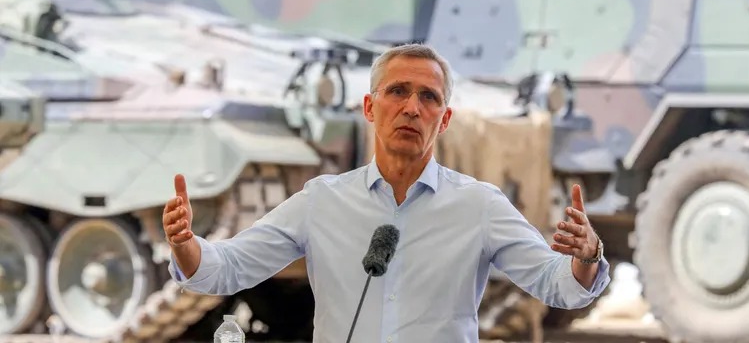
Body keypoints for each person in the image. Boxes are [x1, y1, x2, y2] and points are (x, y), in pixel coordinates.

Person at [164, 43, 611, 342]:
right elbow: (227, 270)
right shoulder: (321, 202)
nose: (412, 107)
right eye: (397, 91)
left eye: (429, 97)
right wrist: (186, 246)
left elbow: (559, 287)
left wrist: (586, 258)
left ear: (445, 118)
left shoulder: (480, 207)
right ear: (370, 108)